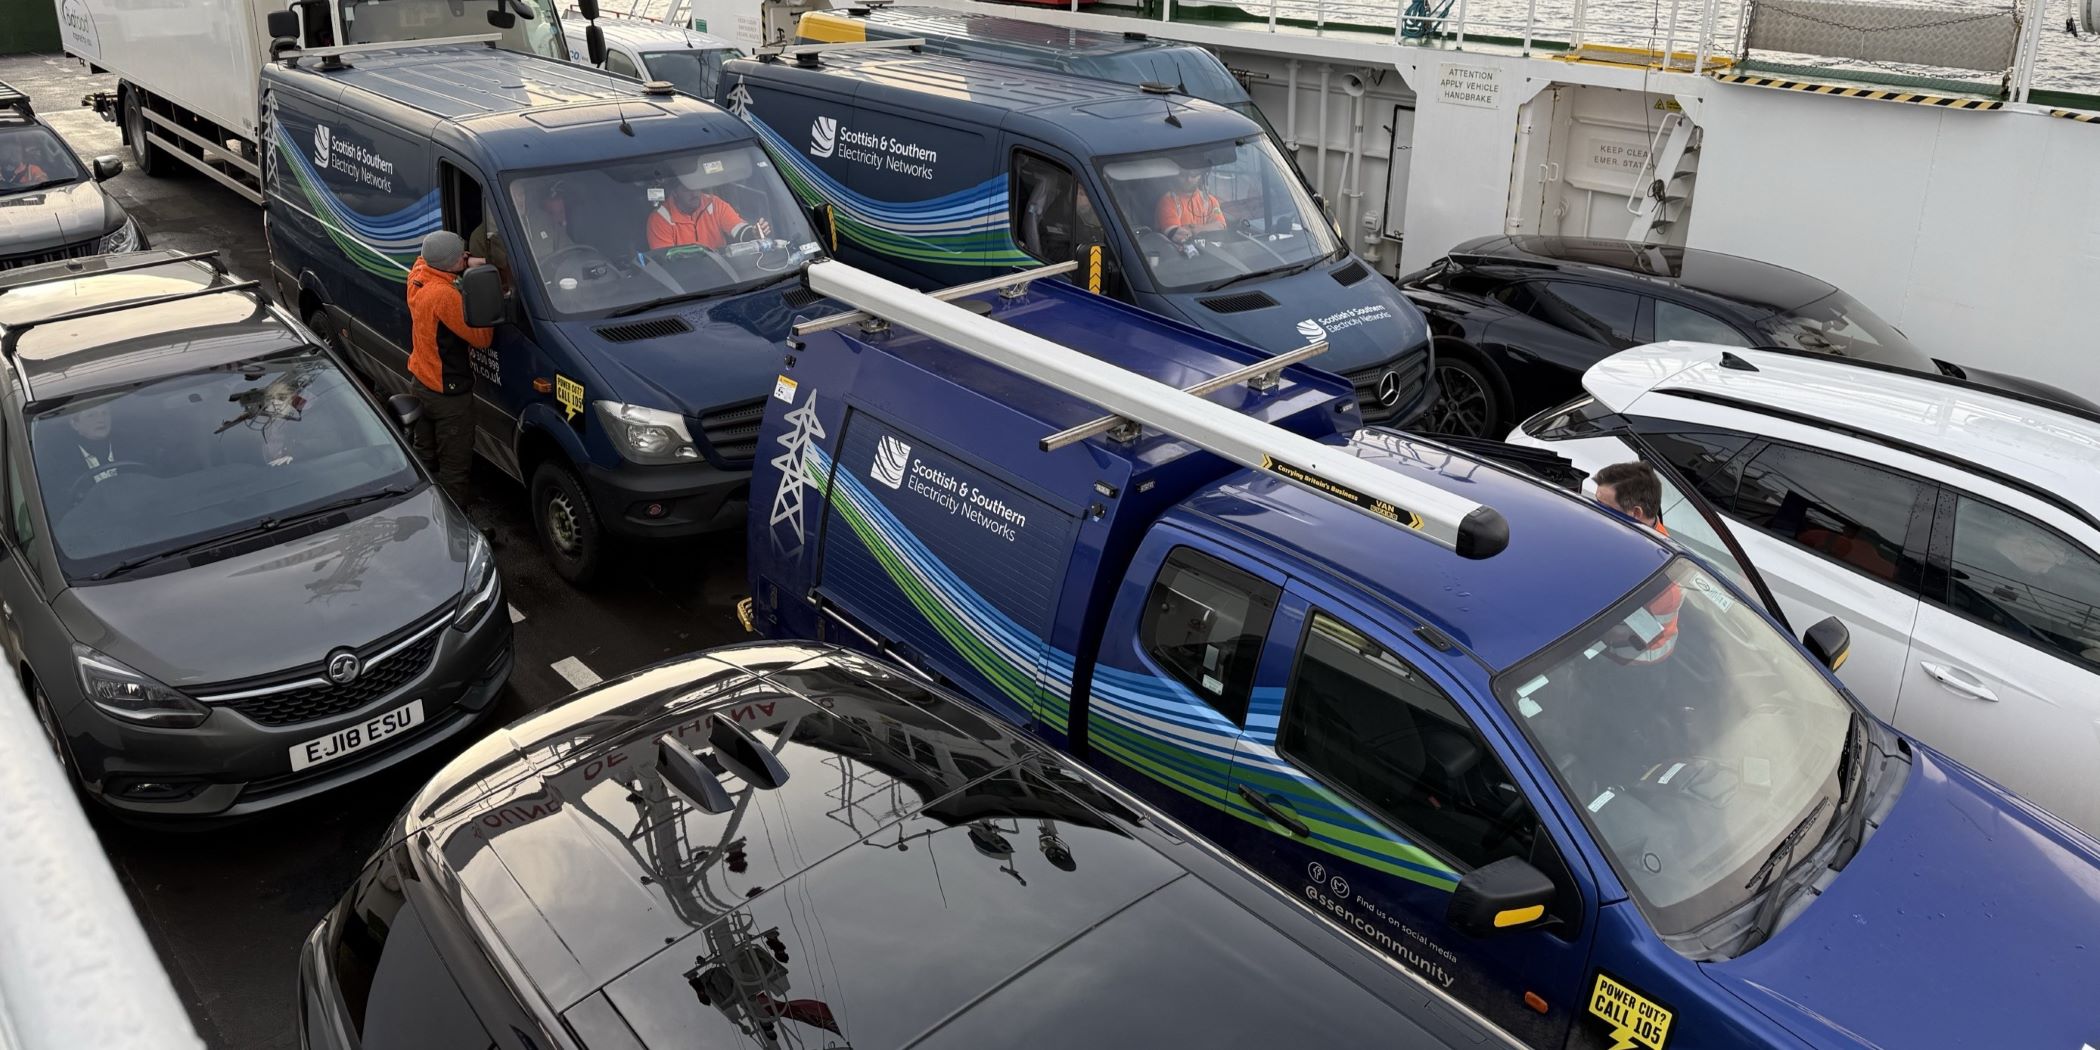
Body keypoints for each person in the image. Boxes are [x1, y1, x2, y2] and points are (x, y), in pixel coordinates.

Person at [405, 230, 492, 496]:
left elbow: (429, 258)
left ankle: (427, 511)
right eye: (461, 255)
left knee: (424, 457)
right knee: (454, 469)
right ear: (448, 264)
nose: (465, 256)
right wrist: (486, 294)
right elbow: (482, 337)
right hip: (449, 396)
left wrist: (464, 264)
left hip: (420, 384)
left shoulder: (418, 275)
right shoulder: (444, 296)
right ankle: (456, 530)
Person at [1593, 461, 1680, 665]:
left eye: (1603, 506)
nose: (1594, 510)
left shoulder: (1664, 579)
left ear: (1636, 513)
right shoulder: (1628, 532)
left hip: (1637, 658)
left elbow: (1648, 634)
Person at [469, 180, 574, 286]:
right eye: (512, 196)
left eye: (521, 194)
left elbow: (569, 251)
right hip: (515, 296)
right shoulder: (480, 236)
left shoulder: (543, 220)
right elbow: (484, 284)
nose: (520, 200)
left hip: (552, 289)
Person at [647, 170, 769, 251]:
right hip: (688, 283)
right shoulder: (660, 219)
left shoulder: (714, 204)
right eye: (687, 189)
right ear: (674, 193)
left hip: (726, 274)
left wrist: (754, 233)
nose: (694, 193)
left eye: (697, 187)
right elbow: (667, 264)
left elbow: (738, 229)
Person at [1155, 167, 1225, 245]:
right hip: (1179, 255)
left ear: (1200, 176)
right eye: (1183, 175)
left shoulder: (1211, 200)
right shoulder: (1167, 201)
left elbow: (1221, 226)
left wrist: (1196, 229)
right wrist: (1208, 228)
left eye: (1193, 174)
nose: (1188, 179)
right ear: (1175, 176)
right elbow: (1178, 235)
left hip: (1208, 251)